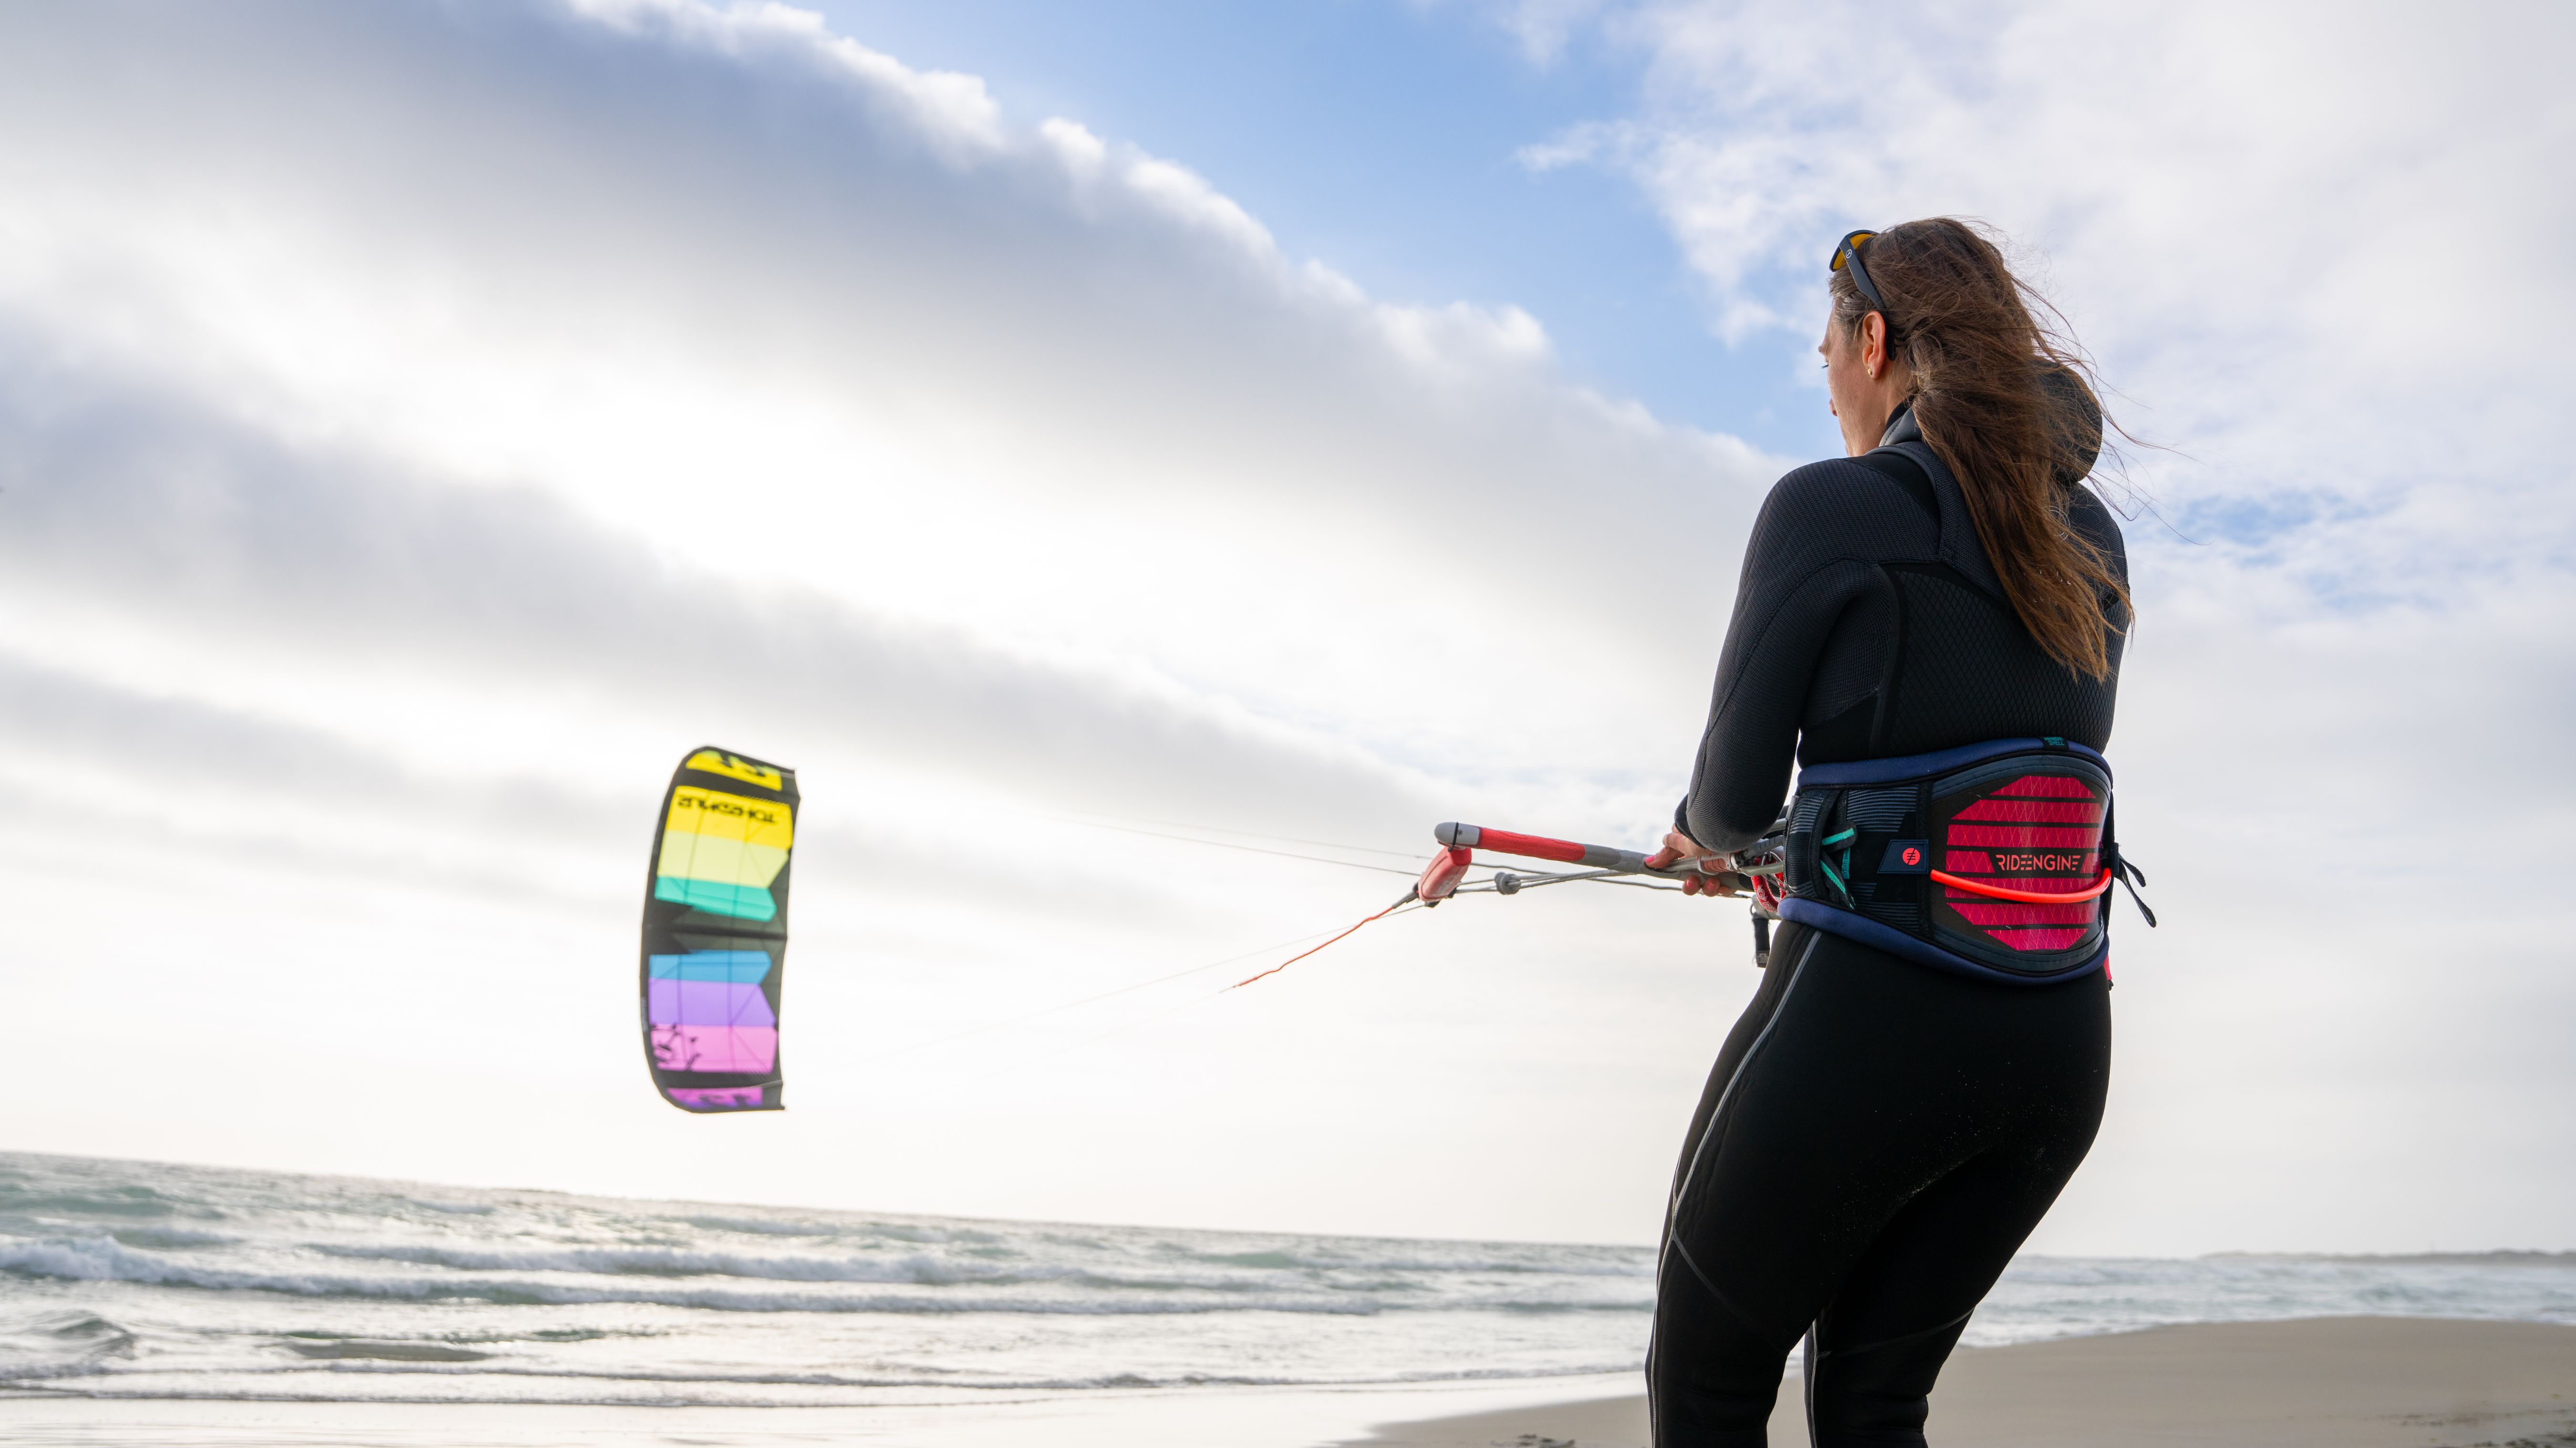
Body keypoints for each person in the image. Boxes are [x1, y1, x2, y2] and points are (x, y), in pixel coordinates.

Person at [1640, 218, 2133, 1447]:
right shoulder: (2094, 543)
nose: (1829, 395)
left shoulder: (1833, 509)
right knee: (1874, 1401)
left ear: (1874, 340)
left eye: (1826, 360)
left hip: (1872, 1016)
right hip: (2057, 1054)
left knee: (1705, 1388)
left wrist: (1710, 838)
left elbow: (1736, 798)